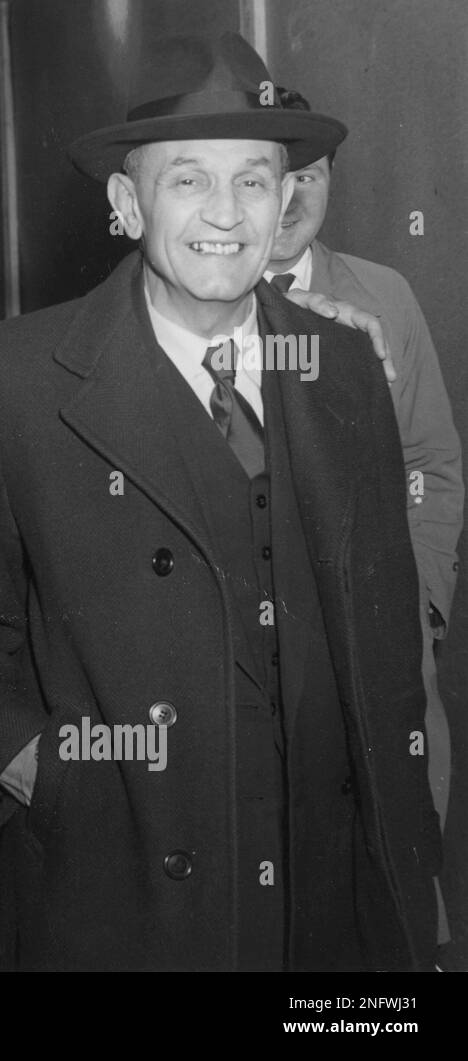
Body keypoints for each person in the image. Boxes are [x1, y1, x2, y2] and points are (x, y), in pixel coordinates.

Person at [0, 32, 441, 971]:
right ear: (124, 200)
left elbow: (383, 648)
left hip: (328, 902)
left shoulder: (346, 365)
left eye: (256, 181)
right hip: (122, 895)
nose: (227, 214)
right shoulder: (12, 381)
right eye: (188, 180)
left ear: (287, 197)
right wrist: (33, 766)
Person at [265, 88, 465, 967]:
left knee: (377, 924)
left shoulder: (382, 295)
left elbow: (432, 467)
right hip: (262, 675)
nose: (294, 196)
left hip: (377, 668)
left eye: (313, 174)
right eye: (277, 174)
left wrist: (416, 605)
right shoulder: (179, 305)